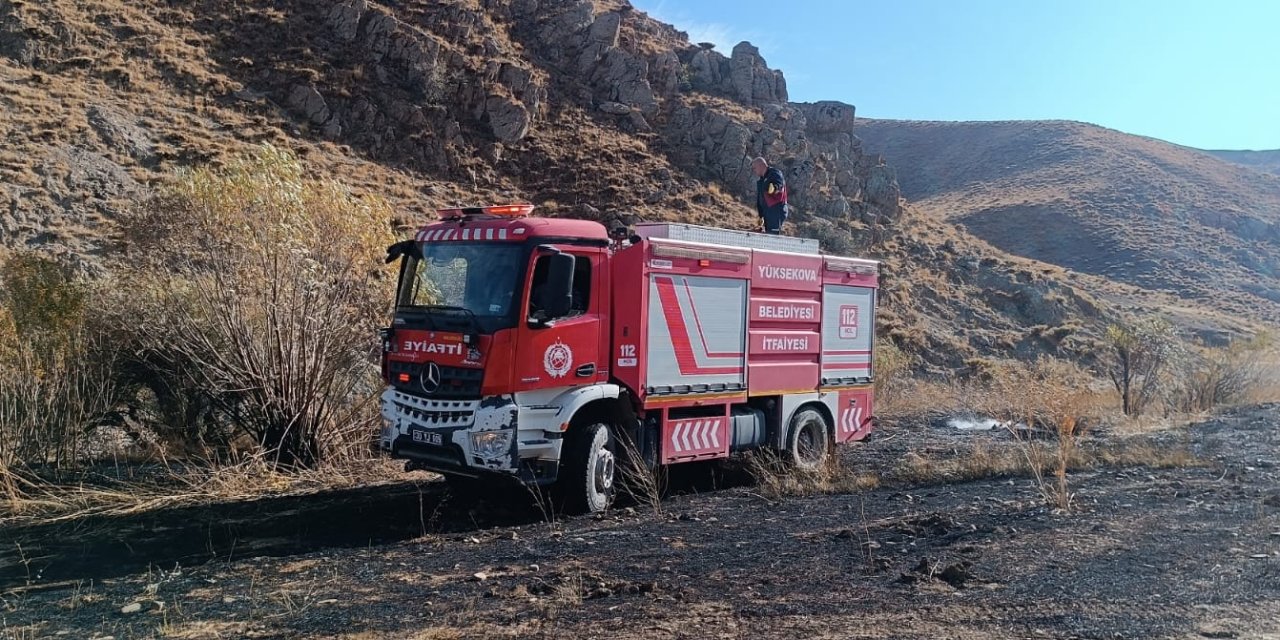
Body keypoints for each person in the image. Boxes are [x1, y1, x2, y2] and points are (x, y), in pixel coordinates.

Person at [753, 156, 788, 235]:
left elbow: (779, 183)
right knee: (767, 234)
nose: (754, 170)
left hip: (776, 211)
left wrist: (775, 188)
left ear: (761, 165)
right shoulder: (761, 181)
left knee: (773, 235)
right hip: (767, 213)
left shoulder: (774, 173)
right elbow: (760, 199)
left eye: (755, 168)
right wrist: (761, 216)